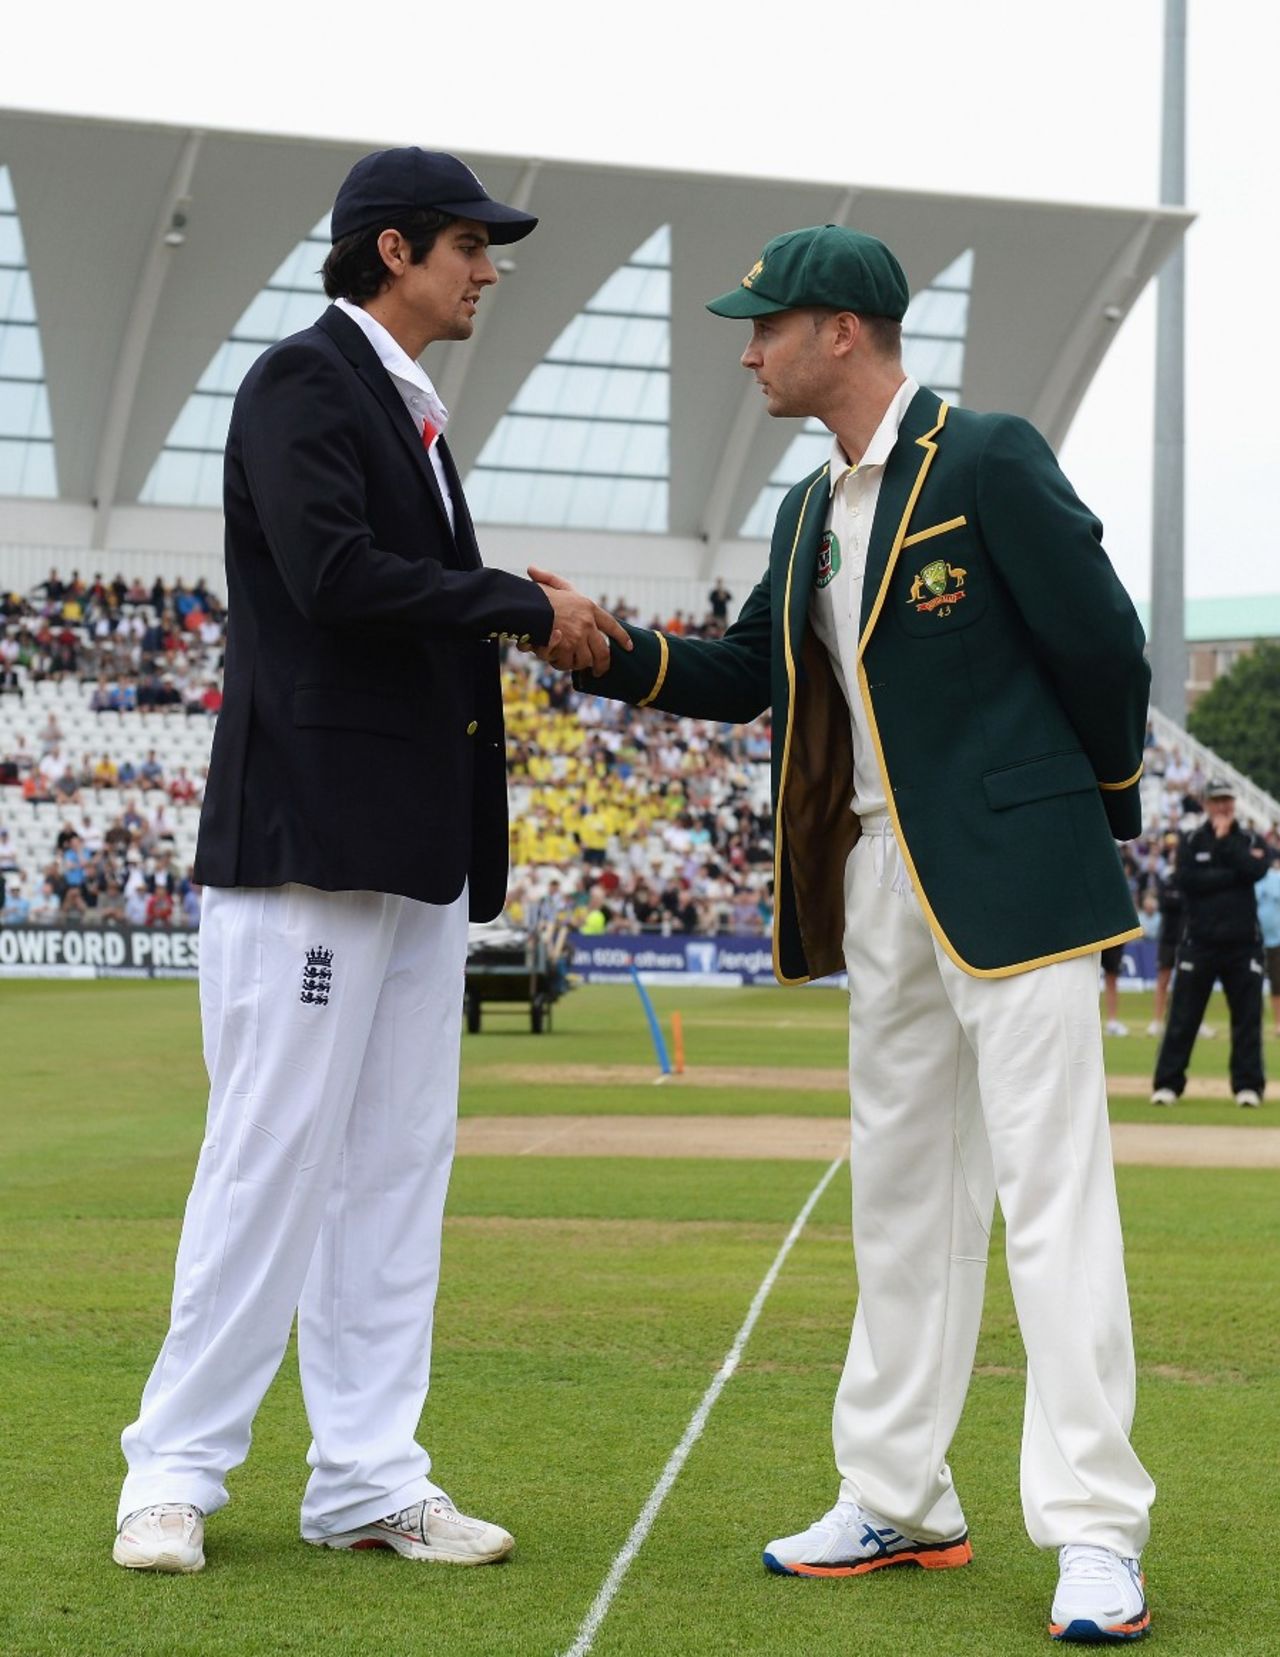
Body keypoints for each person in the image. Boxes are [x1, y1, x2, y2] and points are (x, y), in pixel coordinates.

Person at [556, 225, 1155, 1643]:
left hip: (1019, 887)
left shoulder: (990, 457)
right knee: (899, 1199)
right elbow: (740, 673)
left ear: (842, 331)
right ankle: (899, 1494)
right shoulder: (804, 510)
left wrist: (1083, 813)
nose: (748, 350)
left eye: (766, 326)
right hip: (878, 881)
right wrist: (594, 648)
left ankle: (1095, 1530)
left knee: (1052, 1202)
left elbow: (1107, 647)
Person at [113, 146, 628, 1579]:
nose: (490, 268)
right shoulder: (302, 381)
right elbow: (333, 576)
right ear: (393, 249)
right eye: (472, 243)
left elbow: (399, 600)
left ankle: (366, 1477)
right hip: (310, 841)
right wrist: (523, 604)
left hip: (409, 848)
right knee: (271, 1158)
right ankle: (173, 1469)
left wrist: (506, 607)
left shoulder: (408, 410)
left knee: (397, 1166)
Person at [1151, 779, 1269, 1108]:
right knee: (1183, 1018)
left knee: (1247, 1020)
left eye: (1227, 800)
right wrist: (1232, 875)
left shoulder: (1247, 838)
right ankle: (1167, 1085)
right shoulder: (1190, 839)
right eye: (1217, 801)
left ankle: (1248, 1087)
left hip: (1243, 945)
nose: (1223, 807)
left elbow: (1257, 869)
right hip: (1199, 943)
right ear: (1206, 804)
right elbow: (1187, 881)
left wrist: (1224, 844)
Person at [1259, 850, 1280, 1038]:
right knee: (1251, 983)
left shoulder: (1277, 878)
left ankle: (1278, 1023)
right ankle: (1253, 1021)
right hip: (1254, 939)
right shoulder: (1252, 879)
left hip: (1276, 940)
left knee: (1277, 983)